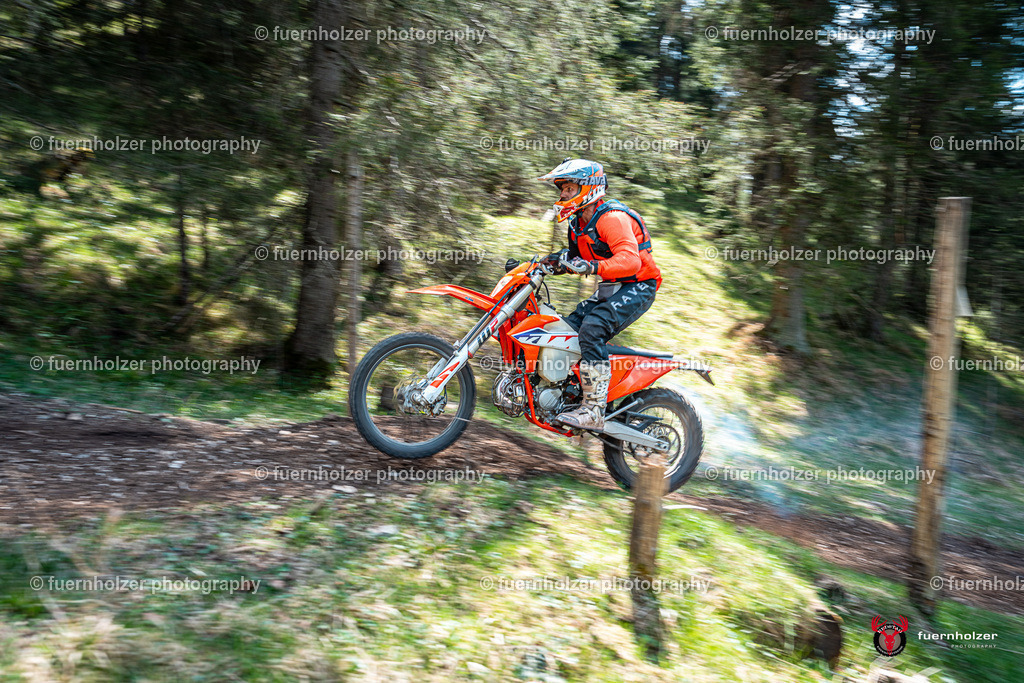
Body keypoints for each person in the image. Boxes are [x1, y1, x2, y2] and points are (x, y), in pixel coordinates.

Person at [538, 158, 662, 430]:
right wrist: (544, 264)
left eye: (569, 189)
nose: (563, 195)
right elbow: (574, 258)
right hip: (612, 285)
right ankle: (569, 396)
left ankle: (593, 409)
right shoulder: (577, 223)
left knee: (593, 329)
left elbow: (631, 261)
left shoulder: (612, 218)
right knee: (565, 330)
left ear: (588, 188)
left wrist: (593, 266)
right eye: (562, 189)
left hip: (639, 285)